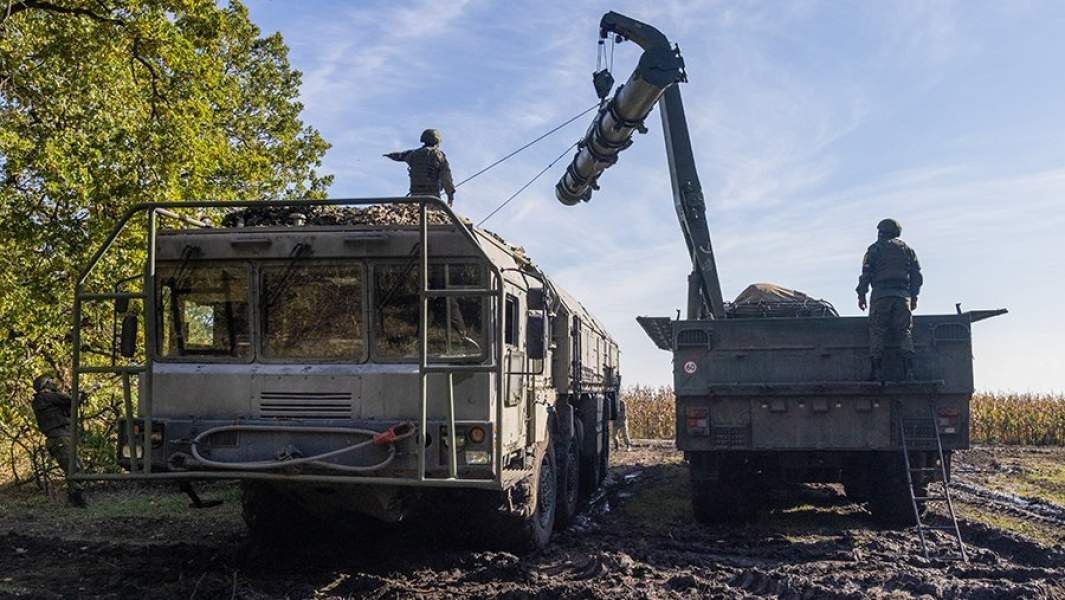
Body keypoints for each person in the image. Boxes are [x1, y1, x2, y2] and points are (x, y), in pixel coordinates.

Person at [856, 218, 923, 381]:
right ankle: (909, 372)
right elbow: (917, 276)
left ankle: (876, 372)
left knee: (877, 332)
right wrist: (914, 297)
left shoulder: (874, 249)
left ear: (881, 232)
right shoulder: (907, 250)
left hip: (880, 296)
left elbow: (866, 274)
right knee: (904, 332)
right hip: (902, 297)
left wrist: (862, 295)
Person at [31, 374, 85, 507]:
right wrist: (84, 394)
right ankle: (76, 502)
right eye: (50, 381)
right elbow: (72, 401)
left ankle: (75, 500)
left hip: (59, 438)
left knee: (76, 469)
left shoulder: (43, 400)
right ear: (46, 385)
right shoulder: (47, 397)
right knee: (74, 469)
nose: (53, 383)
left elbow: (69, 405)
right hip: (59, 438)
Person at [384, 129, 456, 206]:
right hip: (432, 198)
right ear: (437, 141)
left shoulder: (413, 154)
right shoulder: (438, 155)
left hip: (414, 197)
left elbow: (400, 156)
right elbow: (446, 178)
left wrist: (389, 155)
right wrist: (450, 196)